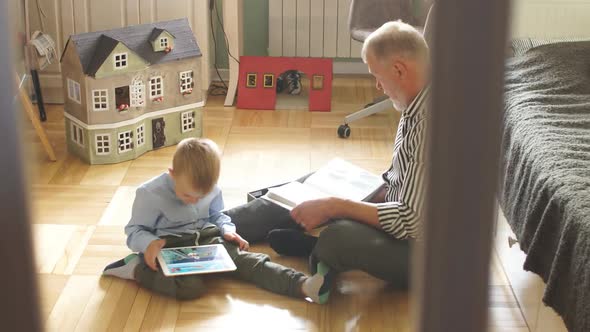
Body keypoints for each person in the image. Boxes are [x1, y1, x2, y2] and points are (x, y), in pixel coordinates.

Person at [226, 20, 430, 289]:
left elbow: (409, 221)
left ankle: (319, 248)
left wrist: (337, 205)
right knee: (312, 184)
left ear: (399, 69)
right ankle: (214, 225)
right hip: (403, 214)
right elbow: (403, 181)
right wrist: (351, 196)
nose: (377, 87)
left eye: (377, 76)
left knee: (339, 236)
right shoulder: (415, 102)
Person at [102, 138, 332, 303]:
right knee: (191, 288)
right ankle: (135, 269)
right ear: (172, 174)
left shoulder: (211, 188)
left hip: (209, 240)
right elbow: (134, 230)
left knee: (250, 262)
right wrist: (149, 244)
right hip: (170, 248)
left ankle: (303, 286)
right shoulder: (150, 194)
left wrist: (227, 229)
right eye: (187, 196)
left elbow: (217, 215)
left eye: (200, 197)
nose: (194, 202)